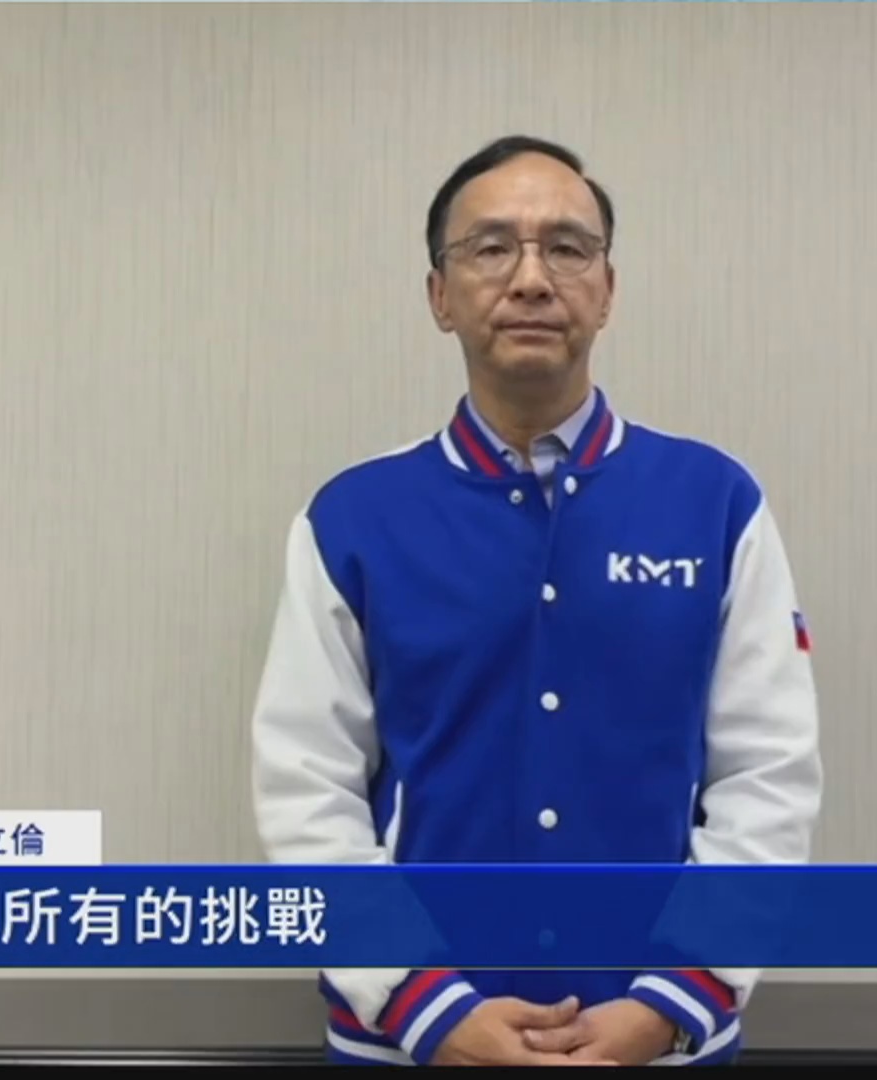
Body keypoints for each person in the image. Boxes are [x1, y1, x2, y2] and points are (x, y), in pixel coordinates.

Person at [248, 134, 824, 1067]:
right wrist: (424, 1005)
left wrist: (671, 1000)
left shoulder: (716, 504)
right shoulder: (353, 518)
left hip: (656, 1037)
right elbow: (305, 786)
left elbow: (769, 775)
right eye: (490, 248)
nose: (530, 279)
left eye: (566, 248)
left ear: (607, 288)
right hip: (412, 1040)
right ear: (439, 295)